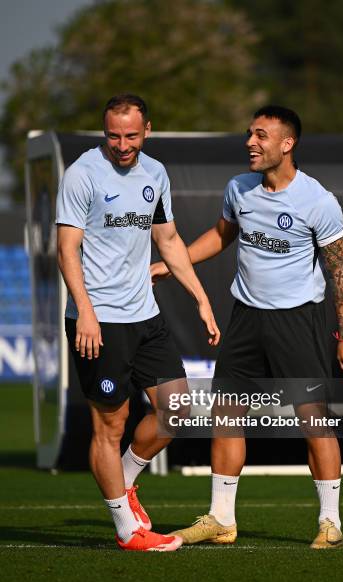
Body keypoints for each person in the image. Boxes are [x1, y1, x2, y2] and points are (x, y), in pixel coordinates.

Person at [151, 105, 343, 549]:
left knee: (315, 421)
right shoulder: (239, 188)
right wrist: (176, 263)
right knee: (227, 415)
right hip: (246, 317)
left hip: (298, 320)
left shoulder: (318, 200)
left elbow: (340, 273)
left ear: (287, 144)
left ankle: (330, 522)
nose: (250, 142)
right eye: (250, 133)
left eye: (261, 135)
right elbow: (222, 234)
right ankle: (221, 519)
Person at [56, 93, 220, 552]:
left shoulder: (156, 173)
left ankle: (125, 479)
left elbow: (167, 240)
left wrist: (201, 299)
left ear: (148, 129)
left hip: (146, 315)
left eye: (131, 135)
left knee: (178, 410)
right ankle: (127, 529)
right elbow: (67, 248)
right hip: (99, 321)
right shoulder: (83, 174)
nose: (122, 144)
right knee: (112, 423)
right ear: (103, 131)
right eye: (113, 135)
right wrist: (84, 311)